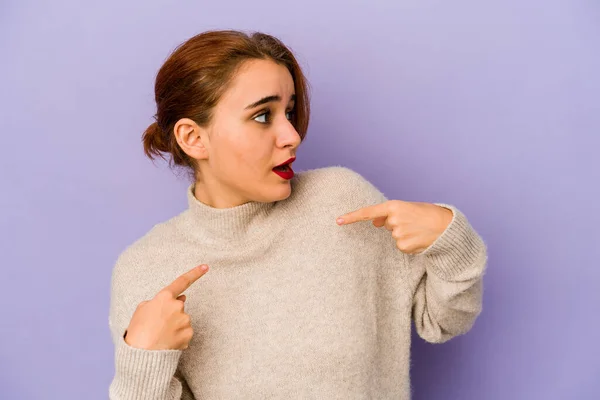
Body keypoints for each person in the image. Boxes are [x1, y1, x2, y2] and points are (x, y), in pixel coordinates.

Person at [108, 29, 487, 400]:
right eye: (262, 116)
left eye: (289, 112)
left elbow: (442, 321)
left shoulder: (341, 202)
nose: (292, 135)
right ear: (193, 138)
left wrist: (450, 237)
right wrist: (144, 363)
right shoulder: (146, 270)